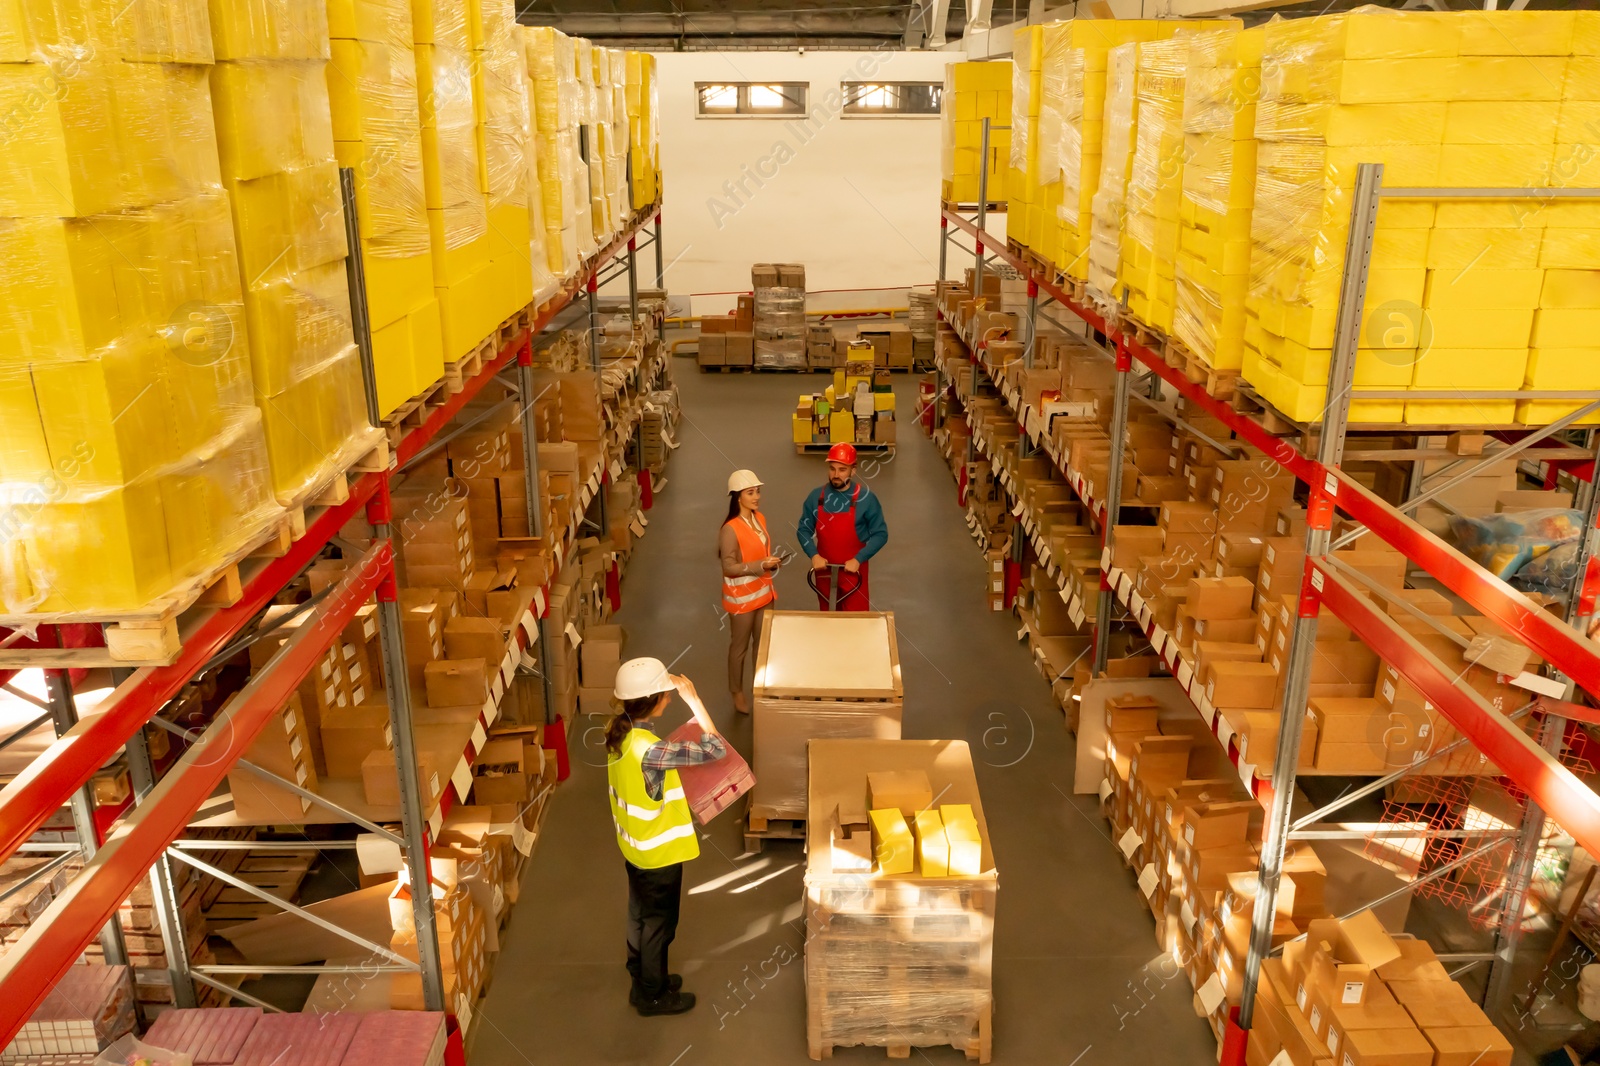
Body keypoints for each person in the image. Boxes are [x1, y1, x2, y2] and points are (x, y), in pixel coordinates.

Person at [604, 659, 727, 1017]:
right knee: (659, 926)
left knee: (638, 917)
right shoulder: (653, 751)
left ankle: (642, 979)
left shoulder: (619, 732)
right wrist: (695, 701)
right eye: (667, 696)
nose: (670, 700)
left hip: (634, 847)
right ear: (653, 700)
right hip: (660, 854)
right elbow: (715, 749)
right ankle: (653, 996)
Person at [796, 442, 888, 611]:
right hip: (824, 571)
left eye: (842, 469)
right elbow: (803, 529)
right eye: (832, 469)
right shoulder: (816, 497)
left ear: (853, 470)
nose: (836, 475)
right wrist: (813, 555)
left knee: (856, 622)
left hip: (854, 573)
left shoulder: (866, 499)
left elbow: (880, 534)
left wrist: (859, 559)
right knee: (827, 620)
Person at [720, 469, 782, 714]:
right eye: (750, 492)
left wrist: (769, 562)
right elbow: (728, 567)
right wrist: (760, 565)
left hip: (764, 593)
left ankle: (761, 687)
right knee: (740, 648)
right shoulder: (729, 529)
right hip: (742, 600)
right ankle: (737, 692)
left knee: (763, 645)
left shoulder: (760, 519)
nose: (756, 497)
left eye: (757, 491)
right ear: (737, 497)